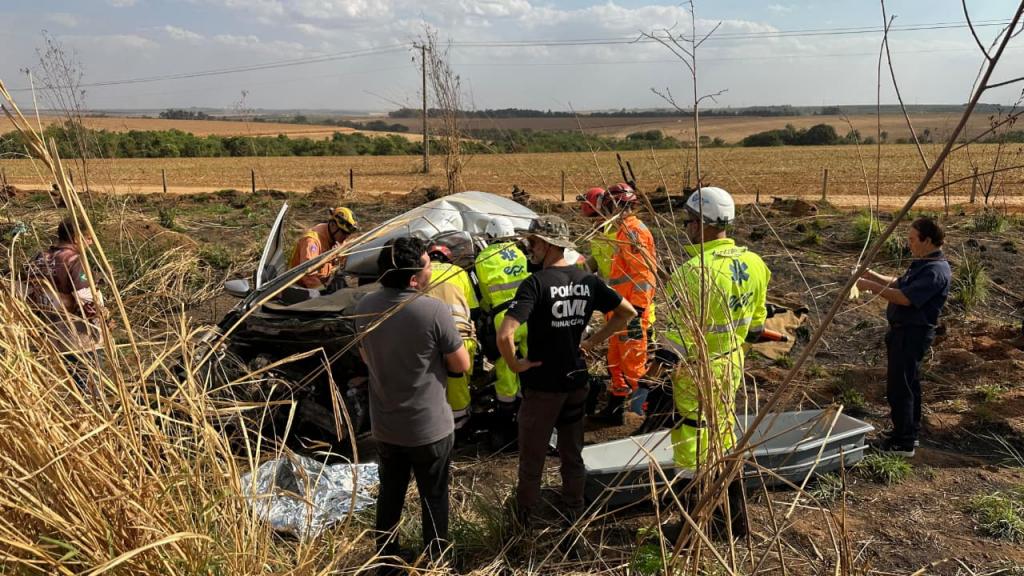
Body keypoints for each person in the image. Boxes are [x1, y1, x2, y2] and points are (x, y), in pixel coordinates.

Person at [497, 215, 636, 525]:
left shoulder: (535, 284)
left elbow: (505, 335)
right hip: (576, 381)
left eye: (533, 242)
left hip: (543, 387)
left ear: (548, 244)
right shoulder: (588, 281)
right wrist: (591, 342)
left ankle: (524, 522)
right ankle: (574, 511)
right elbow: (626, 312)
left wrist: (515, 363)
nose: (529, 248)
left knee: (532, 459)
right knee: (572, 454)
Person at [354, 236, 471, 564]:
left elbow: (366, 357)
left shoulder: (363, 307)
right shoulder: (432, 310)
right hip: (428, 428)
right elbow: (461, 364)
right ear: (413, 279)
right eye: (428, 266)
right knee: (434, 496)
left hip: (386, 426)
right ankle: (436, 560)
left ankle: (386, 561)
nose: (431, 271)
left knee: (390, 494)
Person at [662, 186, 770, 539]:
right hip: (732, 364)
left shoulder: (691, 273)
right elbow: (756, 328)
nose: (686, 228)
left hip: (695, 370)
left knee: (691, 442)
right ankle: (734, 521)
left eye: (688, 221)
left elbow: (673, 344)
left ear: (700, 223)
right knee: (723, 435)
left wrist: (655, 373)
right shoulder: (755, 264)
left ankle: (692, 528)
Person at [856, 217, 951, 457]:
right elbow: (900, 283)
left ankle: (902, 443)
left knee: (900, 387)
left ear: (927, 240)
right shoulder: (923, 263)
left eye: (912, 239)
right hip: (903, 332)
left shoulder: (935, 270)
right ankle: (908, 433)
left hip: (912, 334)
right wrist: (872, 275)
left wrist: (870, 286)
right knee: (908, 384)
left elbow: (905, 298)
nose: (908, 243)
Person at [591, 183, 658, 425]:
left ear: (614, 206)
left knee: (634, 365)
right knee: (615, 361)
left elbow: (644, 276)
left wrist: (637, 310)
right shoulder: (624, 231)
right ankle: (616, 408)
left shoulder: (633, 232)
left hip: (631, 313)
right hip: (620, 310)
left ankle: (648, 414)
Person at [23, 215, 107, 396]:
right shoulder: (73, 260)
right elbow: (86, 302)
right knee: (90, 390)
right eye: (88, 238)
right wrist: (103, 318)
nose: (91, 242)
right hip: (80, 337)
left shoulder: (38, 258)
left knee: (72, 389)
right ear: (76, 238)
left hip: (51, 335)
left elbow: (25, 294)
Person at [473, 216, 531, 447]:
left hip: (503, 317)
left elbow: (485, 295)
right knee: (531, 361)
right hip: (529, 313)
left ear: (491, 236)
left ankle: (506, 422)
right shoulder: (520, 252)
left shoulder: (483, 257)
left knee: (506, 367)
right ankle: (529, 412)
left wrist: (485, 315)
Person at [424, 244, 479, 433]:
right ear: (448, 258)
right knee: (458, 380)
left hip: (429, 337)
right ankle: (460, 423)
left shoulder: (422, 273)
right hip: (460, 335)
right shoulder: (458, 272)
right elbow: (475, 308)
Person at [288, 206, 359, 293]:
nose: (345, 237)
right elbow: (308, 274)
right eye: (343, 233)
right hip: (301, 289)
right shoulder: (311, 241)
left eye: (348, 234)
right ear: (333, 225)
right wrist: (323, 291)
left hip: (320, 284)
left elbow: (344, 261)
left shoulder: (335, 238)